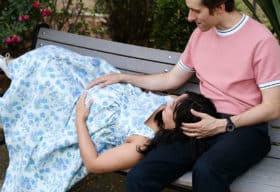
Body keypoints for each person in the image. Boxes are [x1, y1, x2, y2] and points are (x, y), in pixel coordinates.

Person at [88, 0, 280, 192]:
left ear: (219, 7)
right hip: (199, 120)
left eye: (196, 11)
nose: (190, 18)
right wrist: (124, 77)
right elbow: (172, 78)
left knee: (207, 171)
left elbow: (273, 107)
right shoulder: (201, 34)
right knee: (141, 176)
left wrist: (224, 124)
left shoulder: (261, 41)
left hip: (244, 128)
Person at [0, 45, 216, 192]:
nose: (170, 102)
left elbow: (94, 164)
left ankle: (12, 90)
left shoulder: (141, 141)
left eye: (173, 108)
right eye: (176, 99)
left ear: (175, 128)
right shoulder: (167, 105)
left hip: (75, 110)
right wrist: (122, 77)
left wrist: (80, 120)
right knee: (49, 55)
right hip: (88, 84)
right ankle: (14, 69)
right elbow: (167, 85)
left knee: (48, 80)